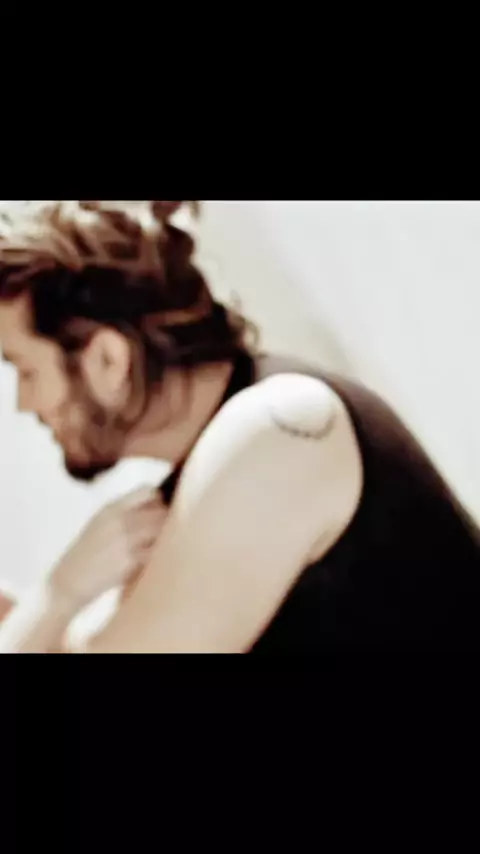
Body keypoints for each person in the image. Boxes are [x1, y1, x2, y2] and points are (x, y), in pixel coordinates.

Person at [0, 200, 480, 654]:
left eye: (26, 370)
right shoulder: (216, 466)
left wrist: (57, 596)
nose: (24, 403)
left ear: (107, 360)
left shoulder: (275, 432)